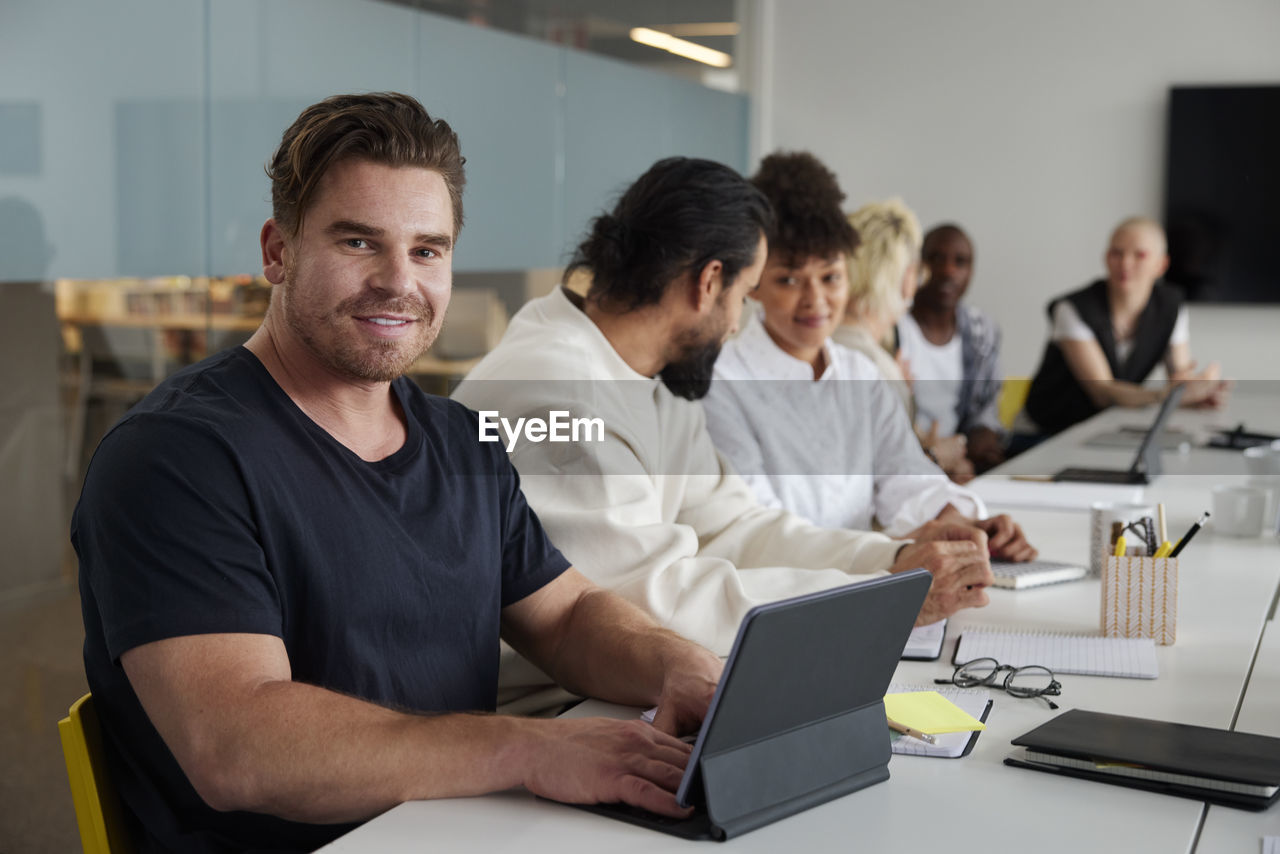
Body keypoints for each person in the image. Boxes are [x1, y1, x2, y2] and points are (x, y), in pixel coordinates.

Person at [72, 93, 725, 854]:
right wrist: (529, 748)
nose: (398, 281)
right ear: (277, 251)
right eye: (357, 242)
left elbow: (568, 617)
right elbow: (239, 745)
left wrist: (681, 667)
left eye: (427, 250)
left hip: (462, 832)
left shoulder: (459, 440)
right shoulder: (176, 459)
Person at [453, 156, 994, 703]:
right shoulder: (559, 393)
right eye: (747, 293)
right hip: (545, 712)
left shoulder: (656, 374)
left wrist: (890, 563)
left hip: (621, 690)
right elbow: (644, 606)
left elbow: (733, 527)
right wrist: (886, 598)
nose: (738, 323)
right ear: (709, 282)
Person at [702, 151, 1034, 556]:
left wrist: (964, 524)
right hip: (780, 595)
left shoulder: (859, 373)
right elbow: (759, 533)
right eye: (789, 279)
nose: (816, 300)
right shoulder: (721, 382)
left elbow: (905, 476)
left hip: (868, 584)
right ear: (753, 282)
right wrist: (892, 550)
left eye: (831, 277)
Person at [1024, 216, 1229, 436]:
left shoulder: (1172, 307)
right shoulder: (1073, 308)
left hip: (1106, 429)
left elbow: (1178, 377)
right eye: (1117, 253)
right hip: (1046, 431)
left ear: (1161, 265)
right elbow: (1102, 392)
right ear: (1105, 258)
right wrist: (1167, 395)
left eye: (1139, 255)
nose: (1125, 264)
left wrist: (1194, 395)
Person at [837, 198, 973, 483]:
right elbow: (882, 487)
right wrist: (935, 458)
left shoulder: (820, 345)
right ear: (908, 277)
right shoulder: (877, 369)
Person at [898, 223, 1006, 472]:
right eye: (936, 258)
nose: (948, 271)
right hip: (913, 459)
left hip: (960, 458)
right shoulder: (894, 330)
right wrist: (938, 459)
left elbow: (985, 411)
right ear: (916, 265)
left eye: (960, 262)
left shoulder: (982, 330)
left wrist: (978, 449)